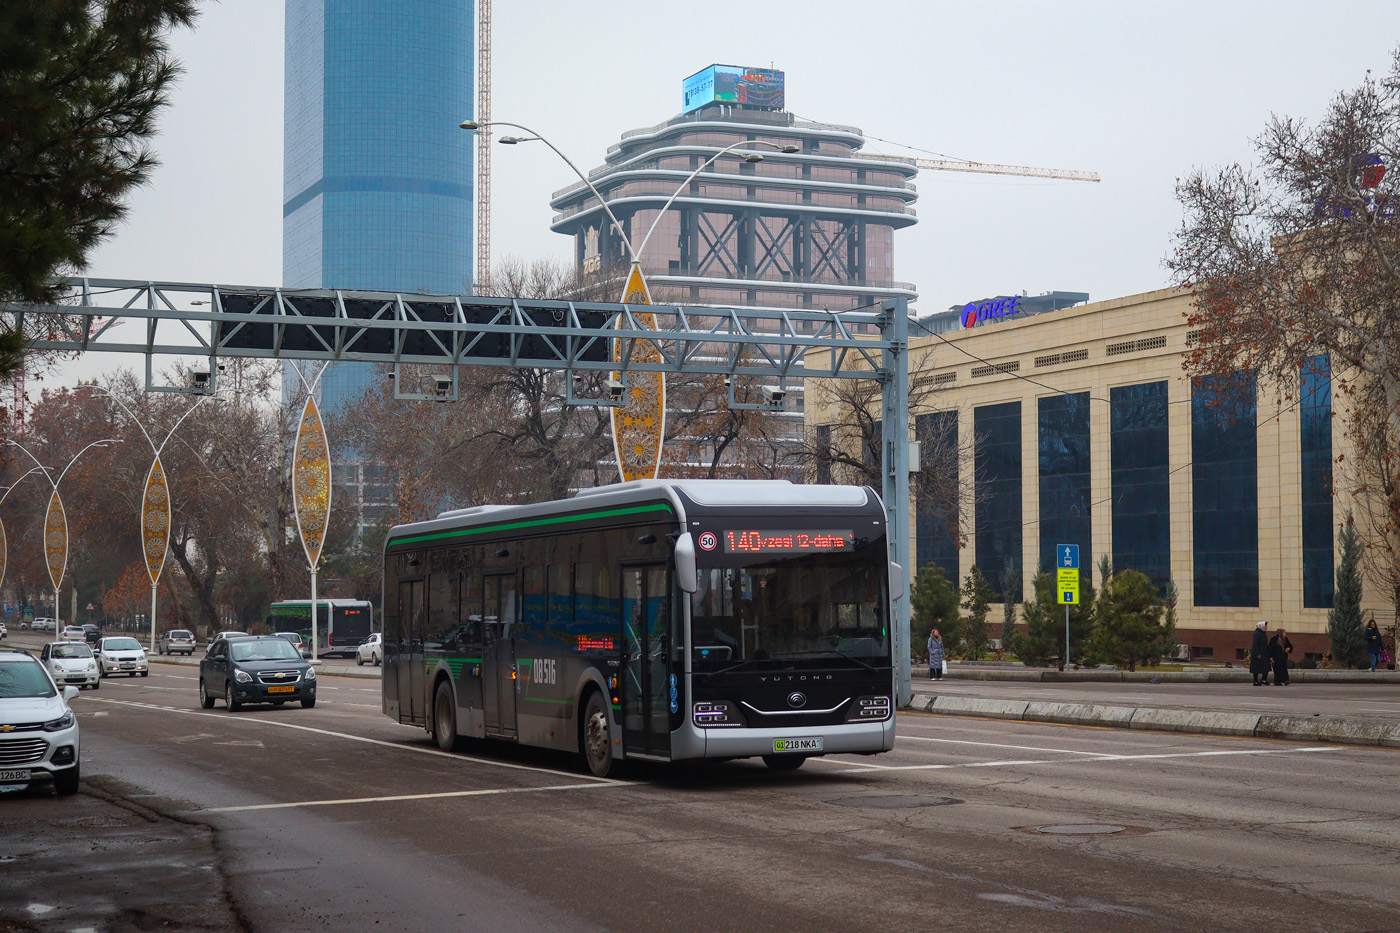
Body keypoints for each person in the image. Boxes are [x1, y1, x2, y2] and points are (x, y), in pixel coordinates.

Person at [1250, 620, 1271, 686]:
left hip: (1264, 653)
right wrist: (1257, 653)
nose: (1267, 627)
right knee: (1256, 668)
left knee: (1266, 666)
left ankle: (1264, 680)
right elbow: (1255, 644)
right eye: (1266, 626)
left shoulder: (1262, 633)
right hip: (1258, 654)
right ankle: (1255, 681)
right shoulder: (1257, 633)